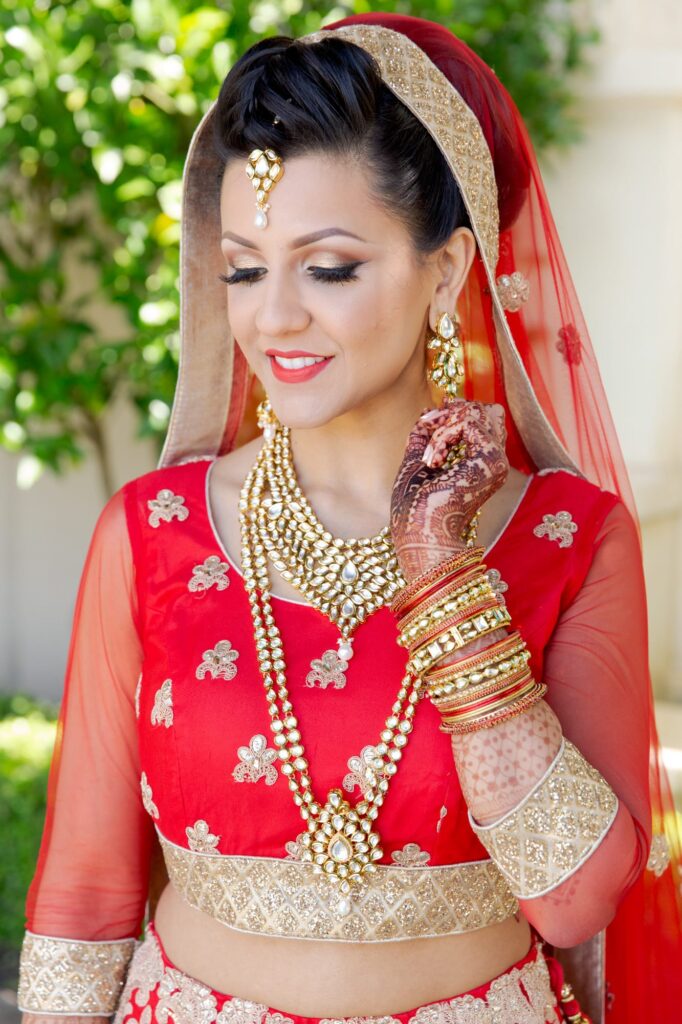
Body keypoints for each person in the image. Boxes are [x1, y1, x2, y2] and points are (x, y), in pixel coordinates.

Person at [16, 12, 682, 1024]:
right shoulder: (152, 534)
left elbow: (577, 897)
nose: (272, 315)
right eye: (244, 267)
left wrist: (442, 575)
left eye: (327, 267)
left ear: (446, 272)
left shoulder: (563, 539)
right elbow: (87, 895)